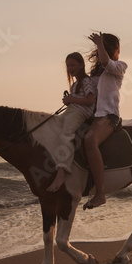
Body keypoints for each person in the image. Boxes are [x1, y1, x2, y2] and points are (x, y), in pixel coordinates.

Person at [83, 32, 127, 209]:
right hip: (92, 115)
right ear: (115, 49)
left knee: (89, 141)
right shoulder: (95, 72)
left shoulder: (119, 66)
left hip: (108, 115)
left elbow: (105, 62)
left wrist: (99, 44)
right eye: (118, 49)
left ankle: (100, 194)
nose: (119, 52)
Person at [47, 52, 96, 192]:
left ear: (81, 65)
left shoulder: (86, 81)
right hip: (74, 110)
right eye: (68, 66)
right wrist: (70, 101)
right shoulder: (75, 85)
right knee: (54, 125)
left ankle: (62, 171)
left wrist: (71, 100)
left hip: (81, 113)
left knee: (66, 133)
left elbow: (90, 100)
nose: (70, 68)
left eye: (73, 65)